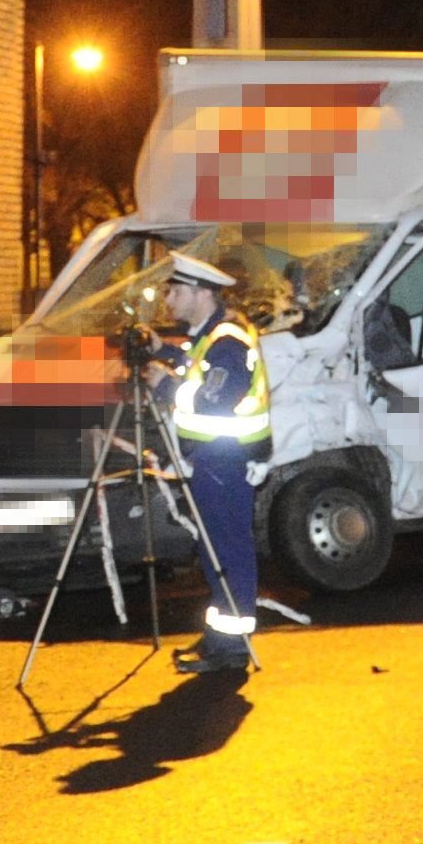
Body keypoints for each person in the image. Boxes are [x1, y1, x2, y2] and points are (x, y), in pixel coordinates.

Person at [151, 254, 272, 675]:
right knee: (212, 549)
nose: (168, 299)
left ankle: (233, 648)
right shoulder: (207, 336)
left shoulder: (227, 341)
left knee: (228, 550)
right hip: (211, 459)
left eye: (176, 291)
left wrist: (165, 384)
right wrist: (160, 350)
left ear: (202, 293)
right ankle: (220, 637)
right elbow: (195, 367)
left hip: (227, 460)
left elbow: (215, 395)